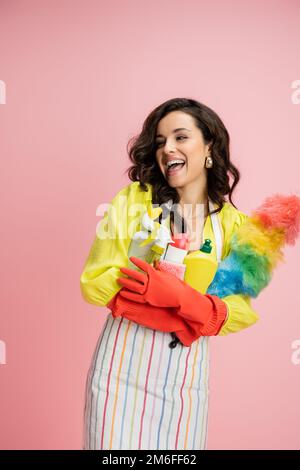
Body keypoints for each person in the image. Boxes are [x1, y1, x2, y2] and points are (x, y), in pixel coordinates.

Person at [80, 97, 259, 450]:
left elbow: (239, 308)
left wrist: (186, 302)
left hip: (184, 383)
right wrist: (146, 295)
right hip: (120, 372)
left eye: (180, 137)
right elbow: (95, 279)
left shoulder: (235, 226)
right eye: (160, 142)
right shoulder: (135, 201)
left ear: (210, 147)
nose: (167, 149)